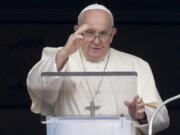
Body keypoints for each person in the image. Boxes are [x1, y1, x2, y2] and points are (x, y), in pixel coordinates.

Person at [27, 3, 169, 135]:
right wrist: (64, 52)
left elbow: (161, 118)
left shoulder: (137, 65)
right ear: (77, 31)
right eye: (89, 32)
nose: (96, 40)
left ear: (112, 34)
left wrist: (142, 114)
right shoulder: (58, 57)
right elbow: (37, 86)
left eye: (103, 33)